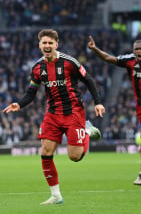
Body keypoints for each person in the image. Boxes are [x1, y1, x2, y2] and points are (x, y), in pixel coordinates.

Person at [3, 29, 105, 204]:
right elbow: (31, 92)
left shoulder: (69, 62)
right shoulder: (37, 68)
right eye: (44, 43)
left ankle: (86, 131)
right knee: (46, 151)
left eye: (51, 43)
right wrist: (19, 104)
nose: (47, 46)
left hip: (73, 112)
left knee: (75, 157)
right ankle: (56, 195)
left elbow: (88, 79)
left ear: (56, 44)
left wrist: (97, 102)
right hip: (52, 113)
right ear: (40, 45)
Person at [88, 36, 141, 186]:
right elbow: (109, 58)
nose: (139, 51)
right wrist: (95, 49)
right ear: (133, 51)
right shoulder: (129, 61)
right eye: (136, 49)